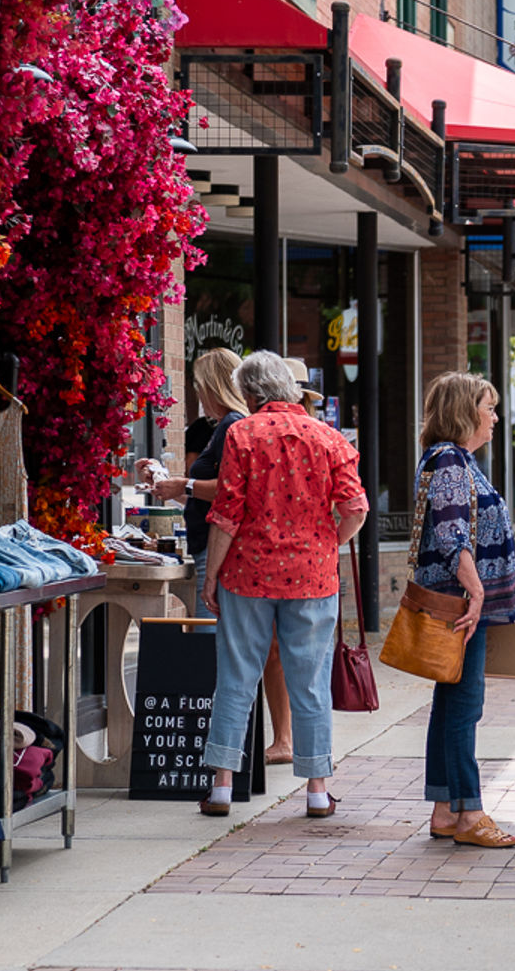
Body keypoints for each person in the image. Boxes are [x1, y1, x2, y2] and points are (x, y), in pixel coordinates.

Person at [197, 351, 368, 819]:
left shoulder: (241, 434)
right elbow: (356, 508)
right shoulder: (329, 438)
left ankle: (221, 788)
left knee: (235, 679)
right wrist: (328, 541)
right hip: (312, 578)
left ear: (251, 395)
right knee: (310, 683)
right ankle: (316, 790)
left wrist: (211, 575)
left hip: (247, 574)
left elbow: (227, 514)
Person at [142, 348, 295, 766]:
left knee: (222, 649)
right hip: (229, 548)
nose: (196, 395)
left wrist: (184, 486)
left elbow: (230, 492)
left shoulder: (232, 427)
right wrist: (177, 481)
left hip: (222, 548)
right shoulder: (229, 427)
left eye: (199, 386)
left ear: (212, 386)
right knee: (258, 649)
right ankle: (255, 744)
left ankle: (220, 749)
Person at [411, 372, 515, 848]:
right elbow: (452, 534)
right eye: (488, 407)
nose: (495, 417)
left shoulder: (454, 460)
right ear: (464, 411)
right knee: (464, 708)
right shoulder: (452, 461)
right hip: (462, 606)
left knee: (450, 705)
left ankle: (444, 810)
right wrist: (477, 594)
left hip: (461, 603)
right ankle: (471, 813)